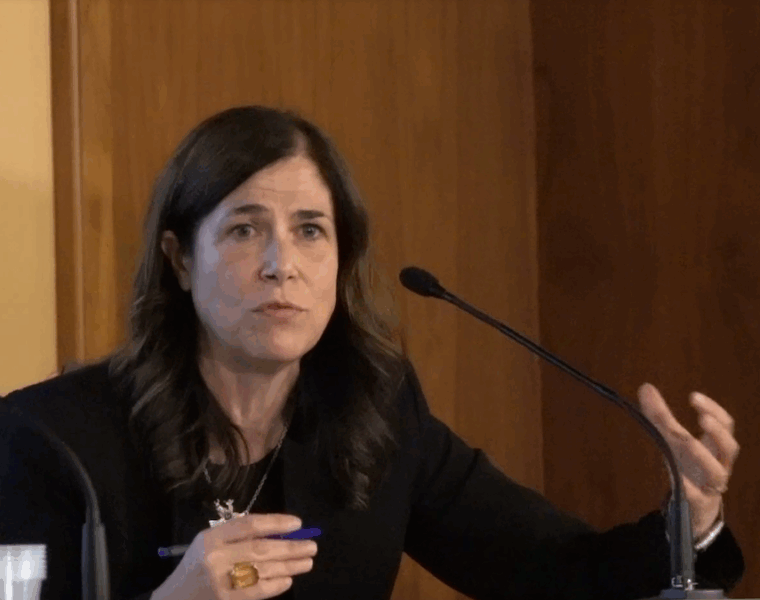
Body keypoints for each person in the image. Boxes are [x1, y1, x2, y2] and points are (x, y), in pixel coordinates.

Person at [0, 105, 744, 600]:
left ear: (341, 259)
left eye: (310, 230)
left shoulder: (375, 413)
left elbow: (557, 573)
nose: (281, 265)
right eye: (244, 230)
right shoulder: (48, 441)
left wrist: (692, 520)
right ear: (180, 260)